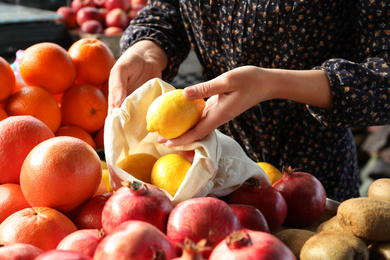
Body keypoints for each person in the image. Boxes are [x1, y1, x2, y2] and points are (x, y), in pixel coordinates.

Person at [108, 0, 390, 202]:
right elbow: (171, 9)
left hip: (313, 177)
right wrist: (148, 50)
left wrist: (274, 83)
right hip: (209, 168)